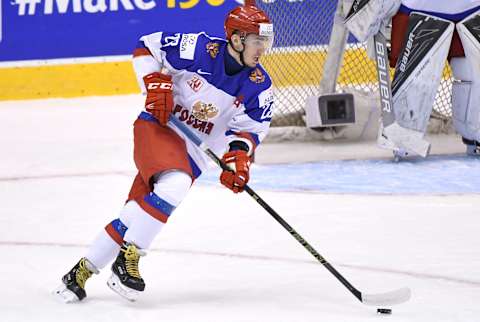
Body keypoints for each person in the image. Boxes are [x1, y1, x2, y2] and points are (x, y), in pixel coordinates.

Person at [54, 4, 274, 303]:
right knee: (175, 185)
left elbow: (250, 130)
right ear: (236, 39)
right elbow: (147, 45)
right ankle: (127, 261)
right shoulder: (198, 48)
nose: (263, 48)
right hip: (160, 126)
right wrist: (153, 82)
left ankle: (78, 274)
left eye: (265, 41)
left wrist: (238, 157)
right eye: (256, 41)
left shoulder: (260, 87)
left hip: (194, 154)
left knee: (135, 214)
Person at [345, 0, 480, 158]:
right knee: (416, 88)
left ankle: (474, 136)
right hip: (421, 9)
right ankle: (404, 137)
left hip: (472, 9)